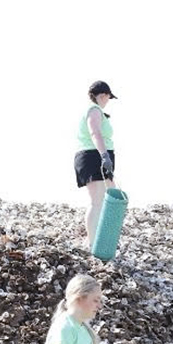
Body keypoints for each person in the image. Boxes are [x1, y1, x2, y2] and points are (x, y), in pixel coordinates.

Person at [74, 80, 118, 248]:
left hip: (98, 155)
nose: (108, 101)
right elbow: (95, 132)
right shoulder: (94, 110)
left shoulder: (96, 111)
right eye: (108, 97)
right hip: (93, 156)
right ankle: (92, 242)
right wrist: (104, 155)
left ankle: (101, 239)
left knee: (111, 195)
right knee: (97, 201)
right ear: (103, 95)